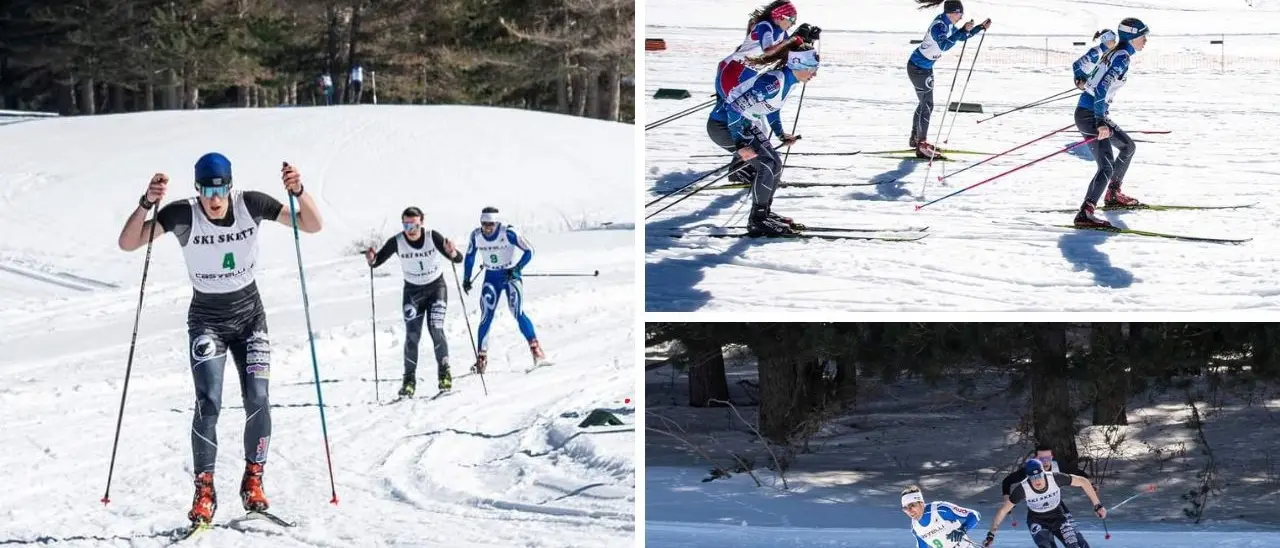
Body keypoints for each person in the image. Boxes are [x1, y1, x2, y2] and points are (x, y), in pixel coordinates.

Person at [116, 153, 323, 527]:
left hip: (250, 319)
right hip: (207, 322)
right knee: (208, 403)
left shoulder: (252, 204)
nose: (214, 198)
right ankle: (204, 489)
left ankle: (253, 479)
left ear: (230, 185)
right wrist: (147, 202)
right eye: (208, 190)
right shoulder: (182, 214)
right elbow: (129, 242)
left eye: (221, 189)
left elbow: (312, 225)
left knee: (258, 398)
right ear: (198, 190)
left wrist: (299, 190)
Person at [707, 43, 821, 236]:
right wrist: (740, 145)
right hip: (724, 126)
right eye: (812, 69)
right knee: (767, 165)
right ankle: (758, 220)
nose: (814, 74)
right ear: (797, 64)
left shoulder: (788, 80)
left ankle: (763, 213)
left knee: (775, 163)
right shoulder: (773, 82)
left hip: (743, 124)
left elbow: (772, 107)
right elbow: (734, 108)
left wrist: (780, 133)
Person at [365, 207, 464, 397]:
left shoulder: (432, 236)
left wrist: (452, 252)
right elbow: (376, 262)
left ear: (421, 222)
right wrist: (371, 259)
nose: (410, 229)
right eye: (406, 224)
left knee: (436, 328)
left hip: (436, 288)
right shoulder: (398, 241)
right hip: (412, 292)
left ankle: (444, 373)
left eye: (414, 224)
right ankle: (409, 380)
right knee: (412, 335)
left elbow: (457, 259)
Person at [712, 1, 811, 186]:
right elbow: (769, 51)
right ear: (779, 16)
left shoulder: (780, 30)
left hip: (745, 75)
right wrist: (794, 39)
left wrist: (806, 40)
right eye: (791, 19)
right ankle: (740, 166)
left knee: (759, 126)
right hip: (734, 73)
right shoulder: (765, 26)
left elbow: (788, 53)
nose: (792, 23)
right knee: (750, 122)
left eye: (795, 20)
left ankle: (744, 163)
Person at [1072, 18, 1149, 228]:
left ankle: (1113, 194)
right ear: (1132, 37)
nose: (1146, 40)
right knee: (1105, 166)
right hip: (1091, 115)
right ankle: (1085, 213)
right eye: (1143, 36)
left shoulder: (1117, 53)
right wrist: (1099, 122)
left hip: (1093, 112)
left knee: (1127, 146)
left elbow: (1096, 82)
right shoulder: (1121, 57)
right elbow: (1101, 89)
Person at [461, 206, 547, 373]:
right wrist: (466, 278)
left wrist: (517, 268)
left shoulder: (508, 232)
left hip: (510, 276)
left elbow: (530, 251)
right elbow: (470, 256)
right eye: (484, 224)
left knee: (517, 311)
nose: (487, 228)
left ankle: (536, 349)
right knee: (486, 315)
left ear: (496, 222)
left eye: (491, 224)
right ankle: (481, 357)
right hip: (491, 277)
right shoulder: (476, 235)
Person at [907, 0, 991, 159]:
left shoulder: (947, 23)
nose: (961, 16)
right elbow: (945, 45)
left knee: (924, 103)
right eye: (960, 13)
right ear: (952, 12)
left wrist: (979, 27)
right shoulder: (939, 25)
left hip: (924, 68)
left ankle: (916, 139)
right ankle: (921, 144)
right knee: (927, 104)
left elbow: (959, 37)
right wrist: (961, 31)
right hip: (918, 68)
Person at [983, 460, 1106, 548]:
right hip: (1037, 521)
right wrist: (991, 534)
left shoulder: (1055, 478)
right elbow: (1003, 511)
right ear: (1028, 477)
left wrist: (1097, 505)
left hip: (1059, 518)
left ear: (1044, 472)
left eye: (1039, 475)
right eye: (1033, 477)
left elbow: (1083, 481)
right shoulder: (1023, 489)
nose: (1037, 480)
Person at [901, 485, 982, 548]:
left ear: (921, 503)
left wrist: (962, 529)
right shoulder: (915, 528)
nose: (909, 510)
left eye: (912, 505)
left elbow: (975, 515)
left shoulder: (940, 510)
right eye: (905, 508)